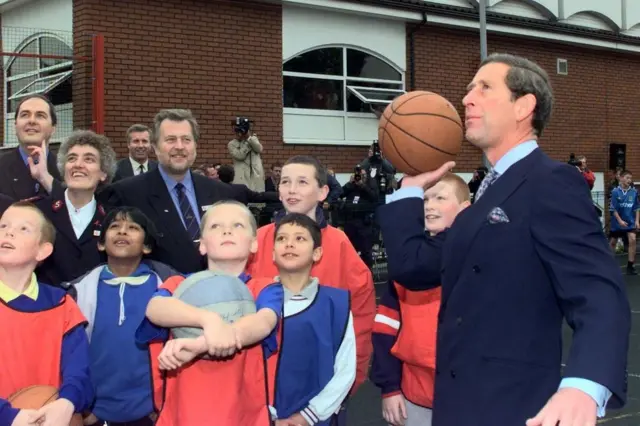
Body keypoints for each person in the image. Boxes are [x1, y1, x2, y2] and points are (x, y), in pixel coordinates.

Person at [377, 53, 630, 426]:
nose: (466, 98)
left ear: (524, 106)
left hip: (510, 407)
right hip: (456, 406)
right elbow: (414, 267)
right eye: (468, 89)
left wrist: (584, 384)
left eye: (484, 87)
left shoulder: (550, 181)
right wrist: (409, 192)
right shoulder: (484, 195)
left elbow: (597, 290)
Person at [135, 200, 282, 426]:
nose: (226, 230)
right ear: (202, 245)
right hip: (183, 414)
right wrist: (208, 319)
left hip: (245, 417)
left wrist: (200, 345)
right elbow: (155, 309)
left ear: (254, 244)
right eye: (215, 226)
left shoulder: (265, 288)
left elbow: (263, 322)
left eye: (238, 226)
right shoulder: (179, 284)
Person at [246, 155, 376, 401]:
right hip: (263, 379)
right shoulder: (257, 241)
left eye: (302, 182)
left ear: (323, 191)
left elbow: (361, 314)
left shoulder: (339, 244)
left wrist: (353, 375)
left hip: (323, 380)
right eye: (285, 182)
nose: (292, 190)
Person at [371, 173, 470, 426]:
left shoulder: (478, 259)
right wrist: (390, 388)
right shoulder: (407, 265)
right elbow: (385, 329)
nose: (430, 205)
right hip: (415, 395)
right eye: (424, 198)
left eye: (440, 197)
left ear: (465, 208)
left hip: (470, 395)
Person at [68, 206, 178, 426]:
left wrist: (165, 404)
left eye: (133, 227)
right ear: (101, 242)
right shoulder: (78, 291)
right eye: (115, 227)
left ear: (147, 246)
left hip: (153, 411)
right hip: (95, 412)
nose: (122, 232)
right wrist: (84, 408)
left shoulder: (168, 287)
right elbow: (71, 357)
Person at [100, 109, 238, 274]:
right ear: (155, 147)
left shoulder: (221, 193)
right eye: (170, 140)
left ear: (195, 145)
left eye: (186, 140)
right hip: (159, 293)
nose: (179, 147)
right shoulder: (127, 194)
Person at [0, 202, 93, 426]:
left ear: (43, 250)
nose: (8, 231)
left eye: (24, 229)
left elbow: (80, 372)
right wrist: (9, 416)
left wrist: (66, 403)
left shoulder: (62, 304)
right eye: (3, 226)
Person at [262, 213, 356, 426]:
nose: (289, 244)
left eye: (299, 239)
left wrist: (309, 415)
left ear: (317, 253)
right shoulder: (256, 302)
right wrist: (268, 416)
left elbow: (346, 369)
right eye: (281, 239)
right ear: (273, 254)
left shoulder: (337, 305)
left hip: (316, 418)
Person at [35, 130, 116, 286]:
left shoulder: (112, 218)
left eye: (89, 159)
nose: (78, 165)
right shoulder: (38, 212)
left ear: (103, 173)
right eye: (72, 158)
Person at [0, 94, 64, 201]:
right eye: (25, 115)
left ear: (53, 128)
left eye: (40, 115)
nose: (32, 121)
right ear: (15, 126)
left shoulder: (67, 170)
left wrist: (46, 179)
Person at [609, 169, 638, 275]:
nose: (629, 180)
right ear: (621, 178)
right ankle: (609, 265)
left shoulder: (634, 192)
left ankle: (630, 265)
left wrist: (637, 221)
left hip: (629, 221)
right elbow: (613, 209)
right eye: (627, 178)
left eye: (630, 178)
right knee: (613, 242)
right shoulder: (615, 191)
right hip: (617, 222)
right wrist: (620, 220)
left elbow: (637, 207)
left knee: (633, 239)